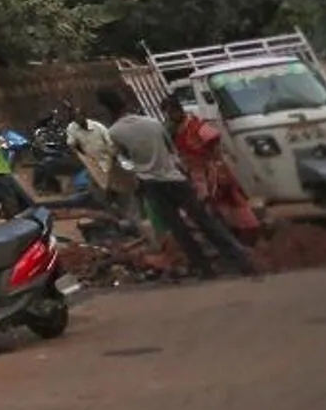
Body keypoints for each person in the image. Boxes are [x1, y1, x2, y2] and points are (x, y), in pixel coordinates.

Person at [97, 85, 256, 278]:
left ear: (106, 109)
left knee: (179, 229)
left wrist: (136, 173)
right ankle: (241, 261)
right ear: (125, 102)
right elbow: (172, 152)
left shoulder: (113, 133)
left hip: (152, 185)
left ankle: (205, 269)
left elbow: (123, 163)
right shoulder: (153, 123)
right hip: (176, 179)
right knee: (206, 221)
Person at [170, 97, 264, 243]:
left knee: (227, 198)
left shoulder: (196, 125)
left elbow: (214, 145)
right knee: (209, 204)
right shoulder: (177, 130)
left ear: (178, 110)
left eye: (172, 112)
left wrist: (219, 165)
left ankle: (244, 232)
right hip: (196, 173)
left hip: (210, 169)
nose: (170, 116)